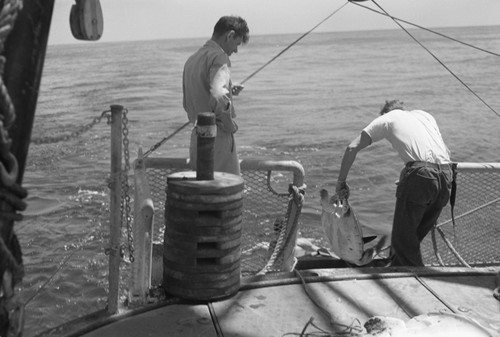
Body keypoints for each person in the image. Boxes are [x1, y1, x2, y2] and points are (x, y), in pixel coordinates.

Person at [335, 100, 453, 266]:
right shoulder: (425, 116)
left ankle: (417, 282)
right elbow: (439, 153)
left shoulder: (387, 118)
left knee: (402, 240)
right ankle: (397, 268)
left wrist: (341, 182)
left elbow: (352, 148)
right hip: (446, 176)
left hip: (421, 176)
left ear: (384, 113)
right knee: (412, 238)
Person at [182, 16, 249, 175]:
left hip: (197, 138)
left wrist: (229, 89)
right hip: (217, 140)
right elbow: (218, 95)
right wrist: (229, 126)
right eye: (237, 43)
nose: (235, 50)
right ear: (230, 35)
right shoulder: (220, 57)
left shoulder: (192, 59)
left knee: (202, 193)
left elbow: (191, 99)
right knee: (226, 194)